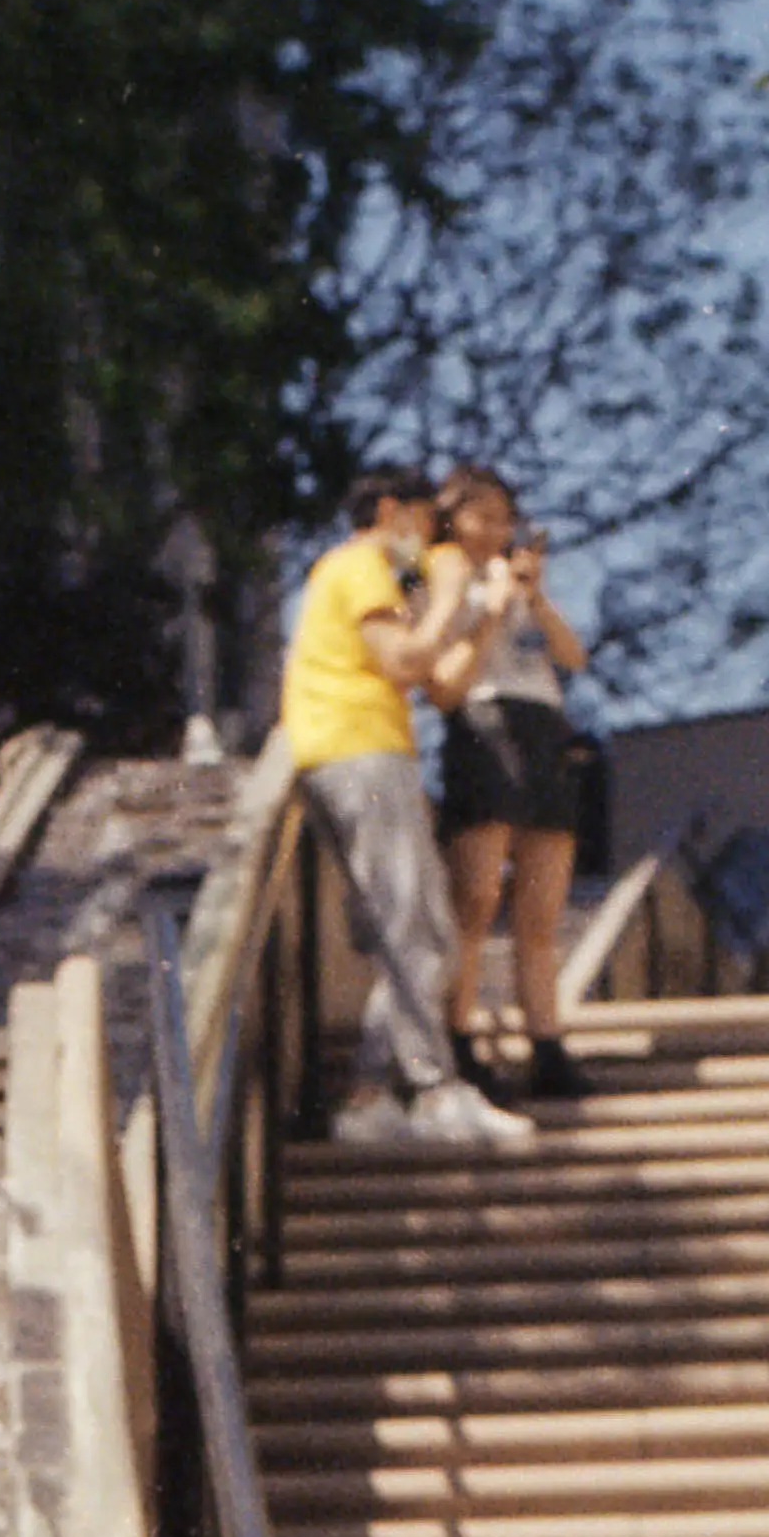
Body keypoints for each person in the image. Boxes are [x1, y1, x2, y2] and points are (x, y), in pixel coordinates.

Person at [279, 466, 528, 1151]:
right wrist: (448, 595)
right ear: (391, 511)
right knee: (419, 927)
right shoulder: (359, 563)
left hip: (356, 751)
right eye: (421, 523)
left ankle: (374, 1097)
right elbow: (403, 659)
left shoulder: (352, 572)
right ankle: (431, 1091)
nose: (424, 545)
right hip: (358, 750)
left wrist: (478, 617)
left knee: (414, 931)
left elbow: (440, 680)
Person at [427, 467, 593, 1108]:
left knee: (543, 908)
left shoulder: (516, 577)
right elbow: (439, 674)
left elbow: (572, 657)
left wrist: (534, 597)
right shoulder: (430, 573)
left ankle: (547, 1043)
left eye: (506, 517)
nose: (497, 529)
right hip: (482, 719)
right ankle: (459, 1036)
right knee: (475, 897)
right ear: (453, 514)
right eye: (484, 515)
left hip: (541, 720)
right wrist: (488, 612)